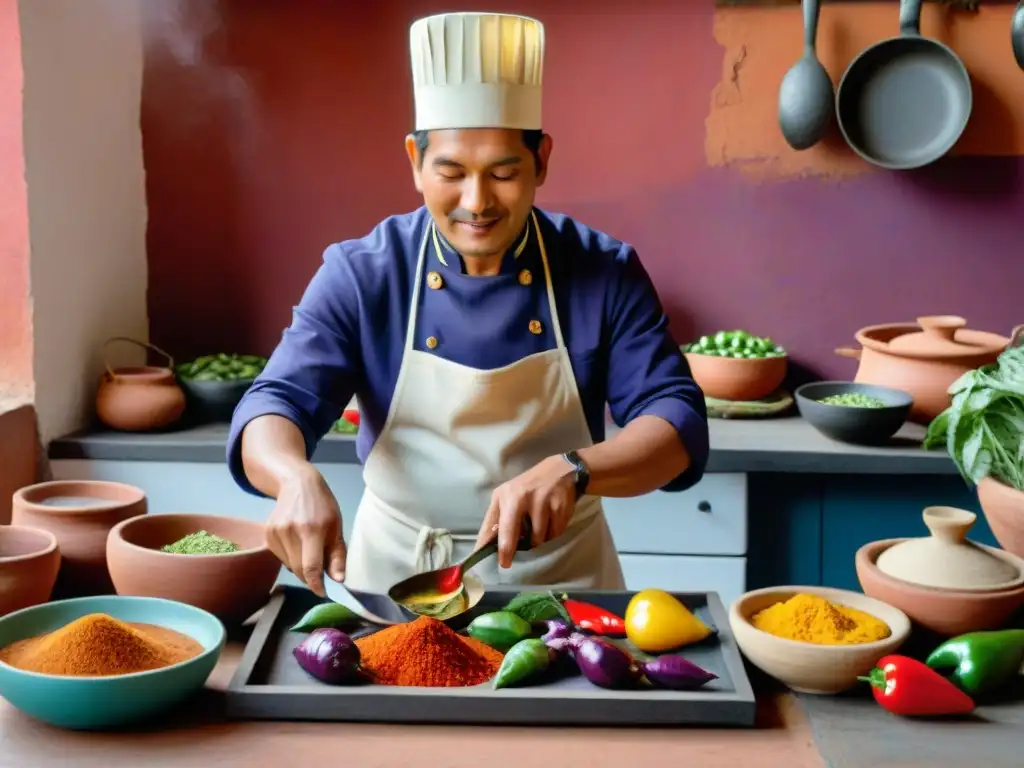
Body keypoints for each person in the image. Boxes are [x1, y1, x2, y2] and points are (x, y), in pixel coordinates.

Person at [227, 11, 709, 598]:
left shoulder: (602, 270)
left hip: (562, 589)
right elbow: (274, 401)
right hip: (399, 585)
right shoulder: (363, 274)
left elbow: (676, 419)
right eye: (450, 172)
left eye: (503, 173)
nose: (476, 202)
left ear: (542, 160)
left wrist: (577, 469)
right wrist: (293, 475)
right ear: (415, 162)